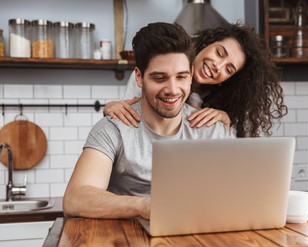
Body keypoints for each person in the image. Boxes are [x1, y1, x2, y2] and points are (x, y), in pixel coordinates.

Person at [62, 22, 233, 220]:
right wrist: (145, 206)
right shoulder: (113, 128)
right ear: (139, 77)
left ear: (191, 76)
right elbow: (75, 198)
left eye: (181, 77)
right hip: (124, 244)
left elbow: (233, 196)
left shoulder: (212, 130)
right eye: (160, 78)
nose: (173, 89)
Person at [104, 23, 287, 137]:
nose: (218, 66)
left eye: (228, 69)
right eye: (219, 53)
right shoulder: (157, 67)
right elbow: (128, 112)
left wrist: (225, 119)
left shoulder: (218, 104)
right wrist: (113, 107)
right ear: (207, 43)